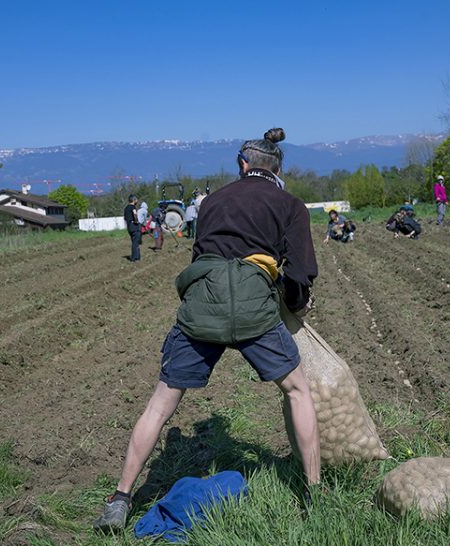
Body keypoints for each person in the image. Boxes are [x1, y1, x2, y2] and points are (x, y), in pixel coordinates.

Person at [93, 128, 320, 532]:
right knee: (298, 390)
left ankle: (121, 498)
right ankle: (314, 495)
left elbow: (203, 255)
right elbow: (301, 272)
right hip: (254, 308)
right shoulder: (290, 204)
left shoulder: (212, 201)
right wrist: (296, 303)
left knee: (160, 404)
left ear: (242, 165)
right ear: (278, 169)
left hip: (203, 305)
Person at [123, 194, 141, 262]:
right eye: (136, 200)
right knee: (136, 243)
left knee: (134, 242)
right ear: (134, 200)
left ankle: (137, 257)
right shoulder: (132, 207)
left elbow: (125, 218)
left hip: (129, 227)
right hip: (134, 226)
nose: (137, 201)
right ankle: (135, 258)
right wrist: (137, 221)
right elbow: (135, 214)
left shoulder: (126, 208)